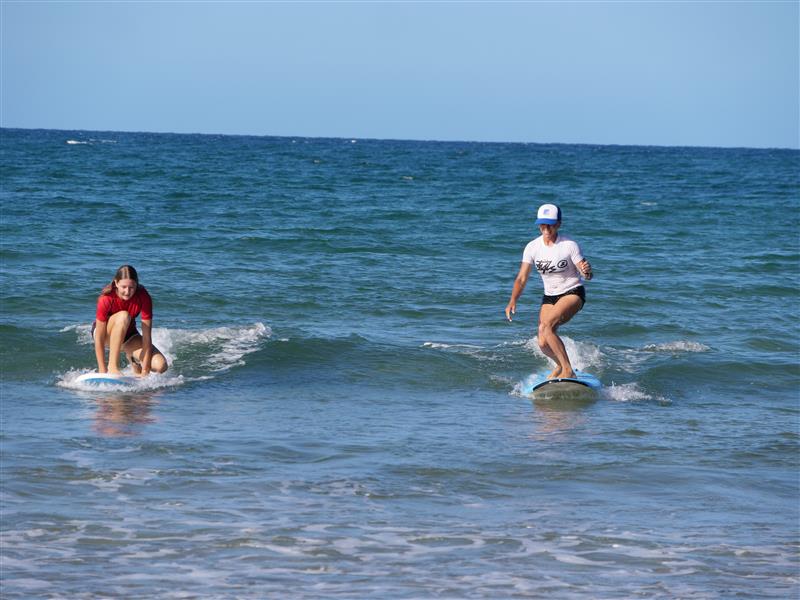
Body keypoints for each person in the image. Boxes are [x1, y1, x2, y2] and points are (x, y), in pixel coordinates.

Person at [505, 204, 593, 380]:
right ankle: (560, 365)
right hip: (549, 296)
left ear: (558, 224)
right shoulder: (532, 247)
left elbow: (586, 274)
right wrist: (513, 300)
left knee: (547, 327)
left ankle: (568, 370)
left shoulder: (569, 245)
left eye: (550, 224)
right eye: (542, 224)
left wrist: (587, 272)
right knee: (543, 341)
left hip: (572, 292)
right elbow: (522, 278)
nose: (546, 228)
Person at [92, 265, 168, 376]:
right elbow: (99, 337)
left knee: (161, 365)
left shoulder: (143, 296)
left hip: (129, 337)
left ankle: (133, 359)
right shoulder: (106, 298)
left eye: (131, 287)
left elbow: (147, 337)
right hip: (105, 336)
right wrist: (102, 370)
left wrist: (145, 371)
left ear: (136, 284)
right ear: (116, 283)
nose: (127, 291)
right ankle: (112, 367)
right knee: (124, 316)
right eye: (123, 287)